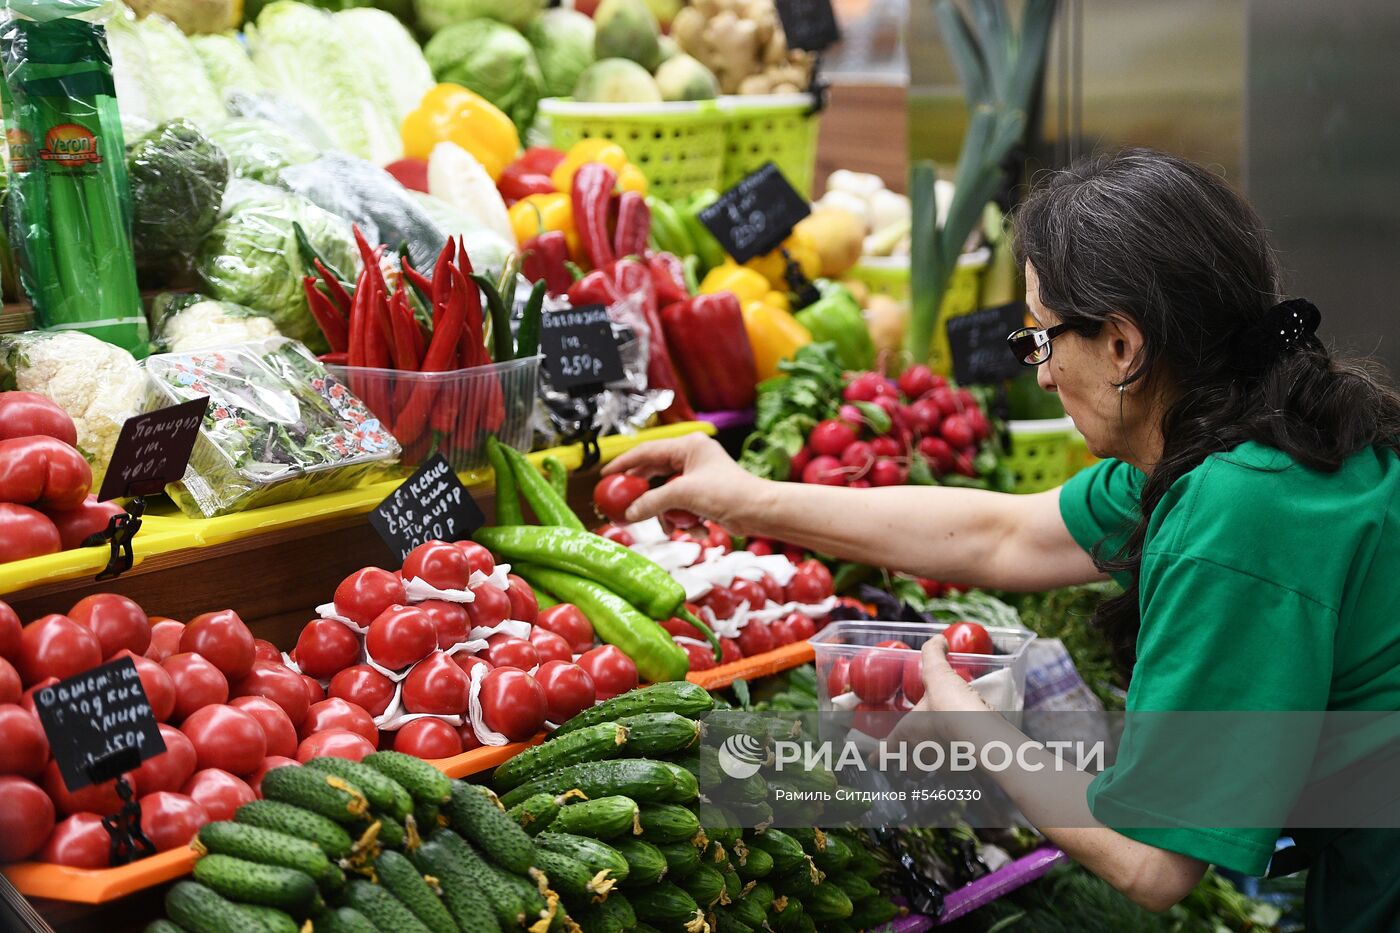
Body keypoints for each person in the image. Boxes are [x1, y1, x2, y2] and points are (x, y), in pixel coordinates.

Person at [605, 148, 1400, 929]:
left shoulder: (1233, 511)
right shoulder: (1245, 433)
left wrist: (974, 727)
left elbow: (1150, 864)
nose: (1043, 374)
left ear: (1123, 346)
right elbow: (1003, 535)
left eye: (1045, 338)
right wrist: (743, 498)